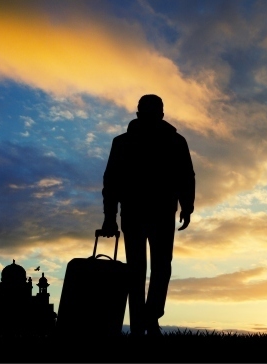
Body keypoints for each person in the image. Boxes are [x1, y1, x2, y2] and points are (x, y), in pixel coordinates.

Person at [101, 94, 195, 336]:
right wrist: (109, 216)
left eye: (154, 111)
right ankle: (139, 324)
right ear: (138, 114)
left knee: (160, 267)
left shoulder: (176, 141)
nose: (151, 116)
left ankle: (149, 319)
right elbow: (111, 181)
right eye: (147, 111)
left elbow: (186, 175)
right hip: (133, 213)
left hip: (162, 213)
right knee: (137, 269)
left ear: (161, 115)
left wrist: (187, 205)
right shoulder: (122, 143)